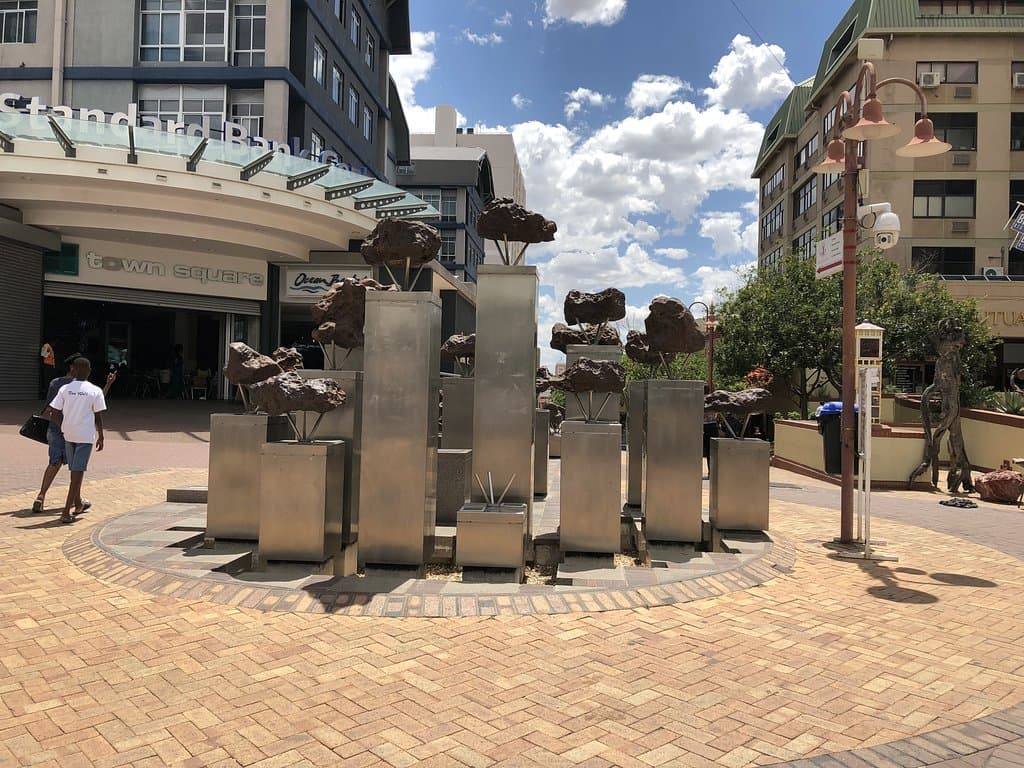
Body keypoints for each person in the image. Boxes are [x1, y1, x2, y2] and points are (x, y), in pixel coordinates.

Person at [43, 358, 110, 523]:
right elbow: (98, 415)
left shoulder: (65, 389)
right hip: (85, 436)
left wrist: (64, 426)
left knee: (74, 471)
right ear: (89, 370)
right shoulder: (94, 390)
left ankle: (78, 504)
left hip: (69, 435)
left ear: (74, 370)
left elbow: (53, 412)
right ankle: (66, 511)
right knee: (77, 473)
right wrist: (101, 435)